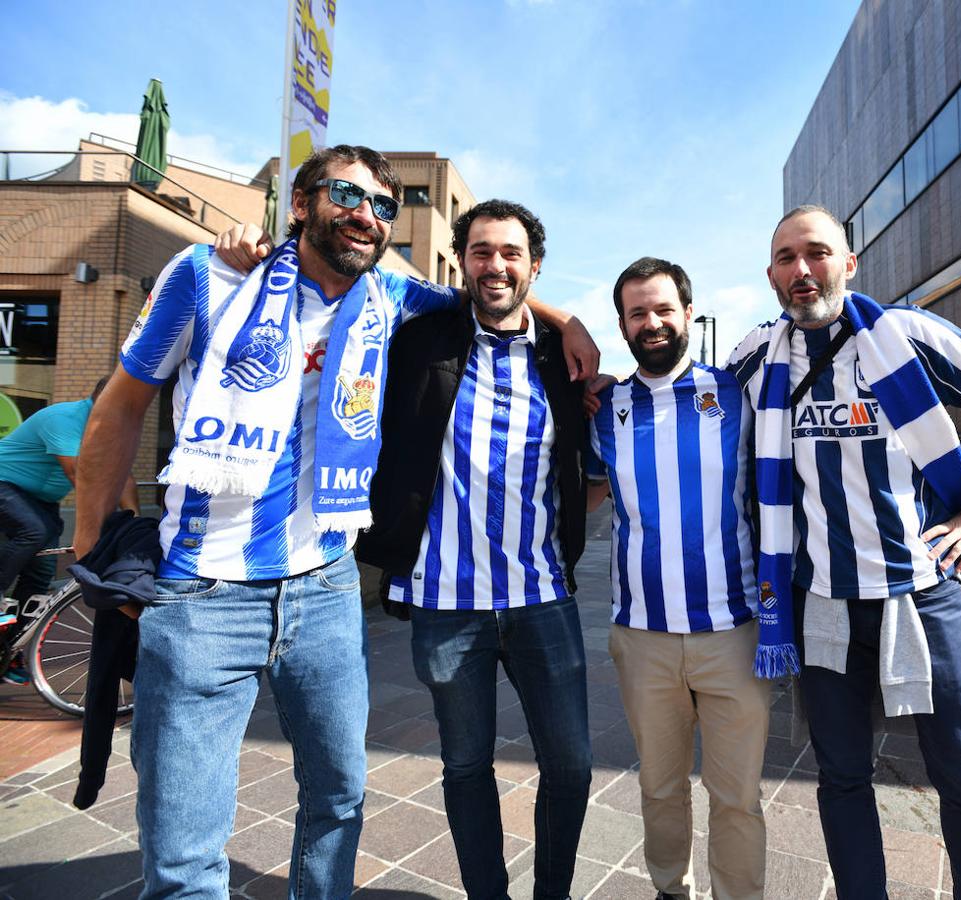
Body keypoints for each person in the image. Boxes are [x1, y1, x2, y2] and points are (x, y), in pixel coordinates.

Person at [75, 148, 597, 899]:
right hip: (202, 595)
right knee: (184, 849)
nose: (365, 214)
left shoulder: (389, 293)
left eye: (383, 205)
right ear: (299, 203)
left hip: (323, 587)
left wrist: (572, 320)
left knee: (339, 802)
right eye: (346, 195)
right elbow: (120, 406)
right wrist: (91, 549)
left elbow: (490, 293)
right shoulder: (206, 275)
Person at [725, 206, 961, 900]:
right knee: (840, 777)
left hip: (922, 596)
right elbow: (694, 409)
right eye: (785, 258)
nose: (802, 271)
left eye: (817, 253)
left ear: (850, 262)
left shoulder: (905, 335)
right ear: (772, 275)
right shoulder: (753, 354)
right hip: (821, 604)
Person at [354, 200, 592, 900]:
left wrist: (566, 321)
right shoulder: (419, 339)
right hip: (445, 602)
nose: (497, 264)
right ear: (463, 263)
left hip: (542, 596)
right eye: (482, 251)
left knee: (574, 766)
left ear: (534, 267)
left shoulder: (560, 361)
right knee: (465, 765)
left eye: (511, 253)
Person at [588, 257, 769, 900]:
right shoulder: (605, 407)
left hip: (733, 634)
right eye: (638, 313)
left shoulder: (738, 396)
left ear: (688, 313)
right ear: (622, 325)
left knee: (737, 797)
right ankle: (671, 888)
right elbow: (585, 493)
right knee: (659, 787)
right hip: (642, 638)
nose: (653, 322)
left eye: (664, 309)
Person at [0, 379, 138, 683]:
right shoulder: (63, 419)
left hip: (41, 500)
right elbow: (79, 474)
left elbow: (123, 475)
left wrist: (134, 522)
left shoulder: (111, 429)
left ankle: (7, 654)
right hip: (5, 484)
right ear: (102, 400)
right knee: (33, 532)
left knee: (40, 573)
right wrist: (103, 522)